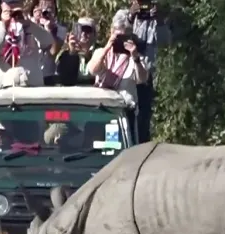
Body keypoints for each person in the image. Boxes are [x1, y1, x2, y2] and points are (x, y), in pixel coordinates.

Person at [87, 10, 148, 139]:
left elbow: (142, 79)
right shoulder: (100, 53)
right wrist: (109, 46)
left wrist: (135, 57)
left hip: (123, 115)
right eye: (118, 36)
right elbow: (93, 69)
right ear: (111, 31)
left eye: (125, 36)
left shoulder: (134, 58)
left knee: (119, 153)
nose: (121, 41)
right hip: (100, 112)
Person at [0, 1, 54, 99]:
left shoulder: (30, 28)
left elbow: (48, 42)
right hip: (2, 95)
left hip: (32, 93)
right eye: (9, 8)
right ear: (2, 8)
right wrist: (4, 27)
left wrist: (30, 25)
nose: (13, 12)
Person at [127, 0, 171, 143]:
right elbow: (117, 34)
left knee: (143, 121)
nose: (143, 6)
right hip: (126, 75)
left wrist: (160, 22)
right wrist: (130, 17)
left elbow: (166, 42)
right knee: (126, 116)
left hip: (145, 76)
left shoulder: (156, 19)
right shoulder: (123, 15)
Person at [32, 0, 67, 86]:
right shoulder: (29, 25)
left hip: (47, 76)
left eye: (50, 8)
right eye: (43, 7)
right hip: (30, 74)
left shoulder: (60, 30)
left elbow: (53, 52)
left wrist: (50, 30)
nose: (46, 10)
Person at [55, 17, 98, 86]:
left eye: (87, 30)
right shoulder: (64, 54)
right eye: (80, 29)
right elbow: (65, 79)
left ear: (95, 35)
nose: (83, 33)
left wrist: (87, 55)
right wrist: (72, 53)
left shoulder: (100, 53)